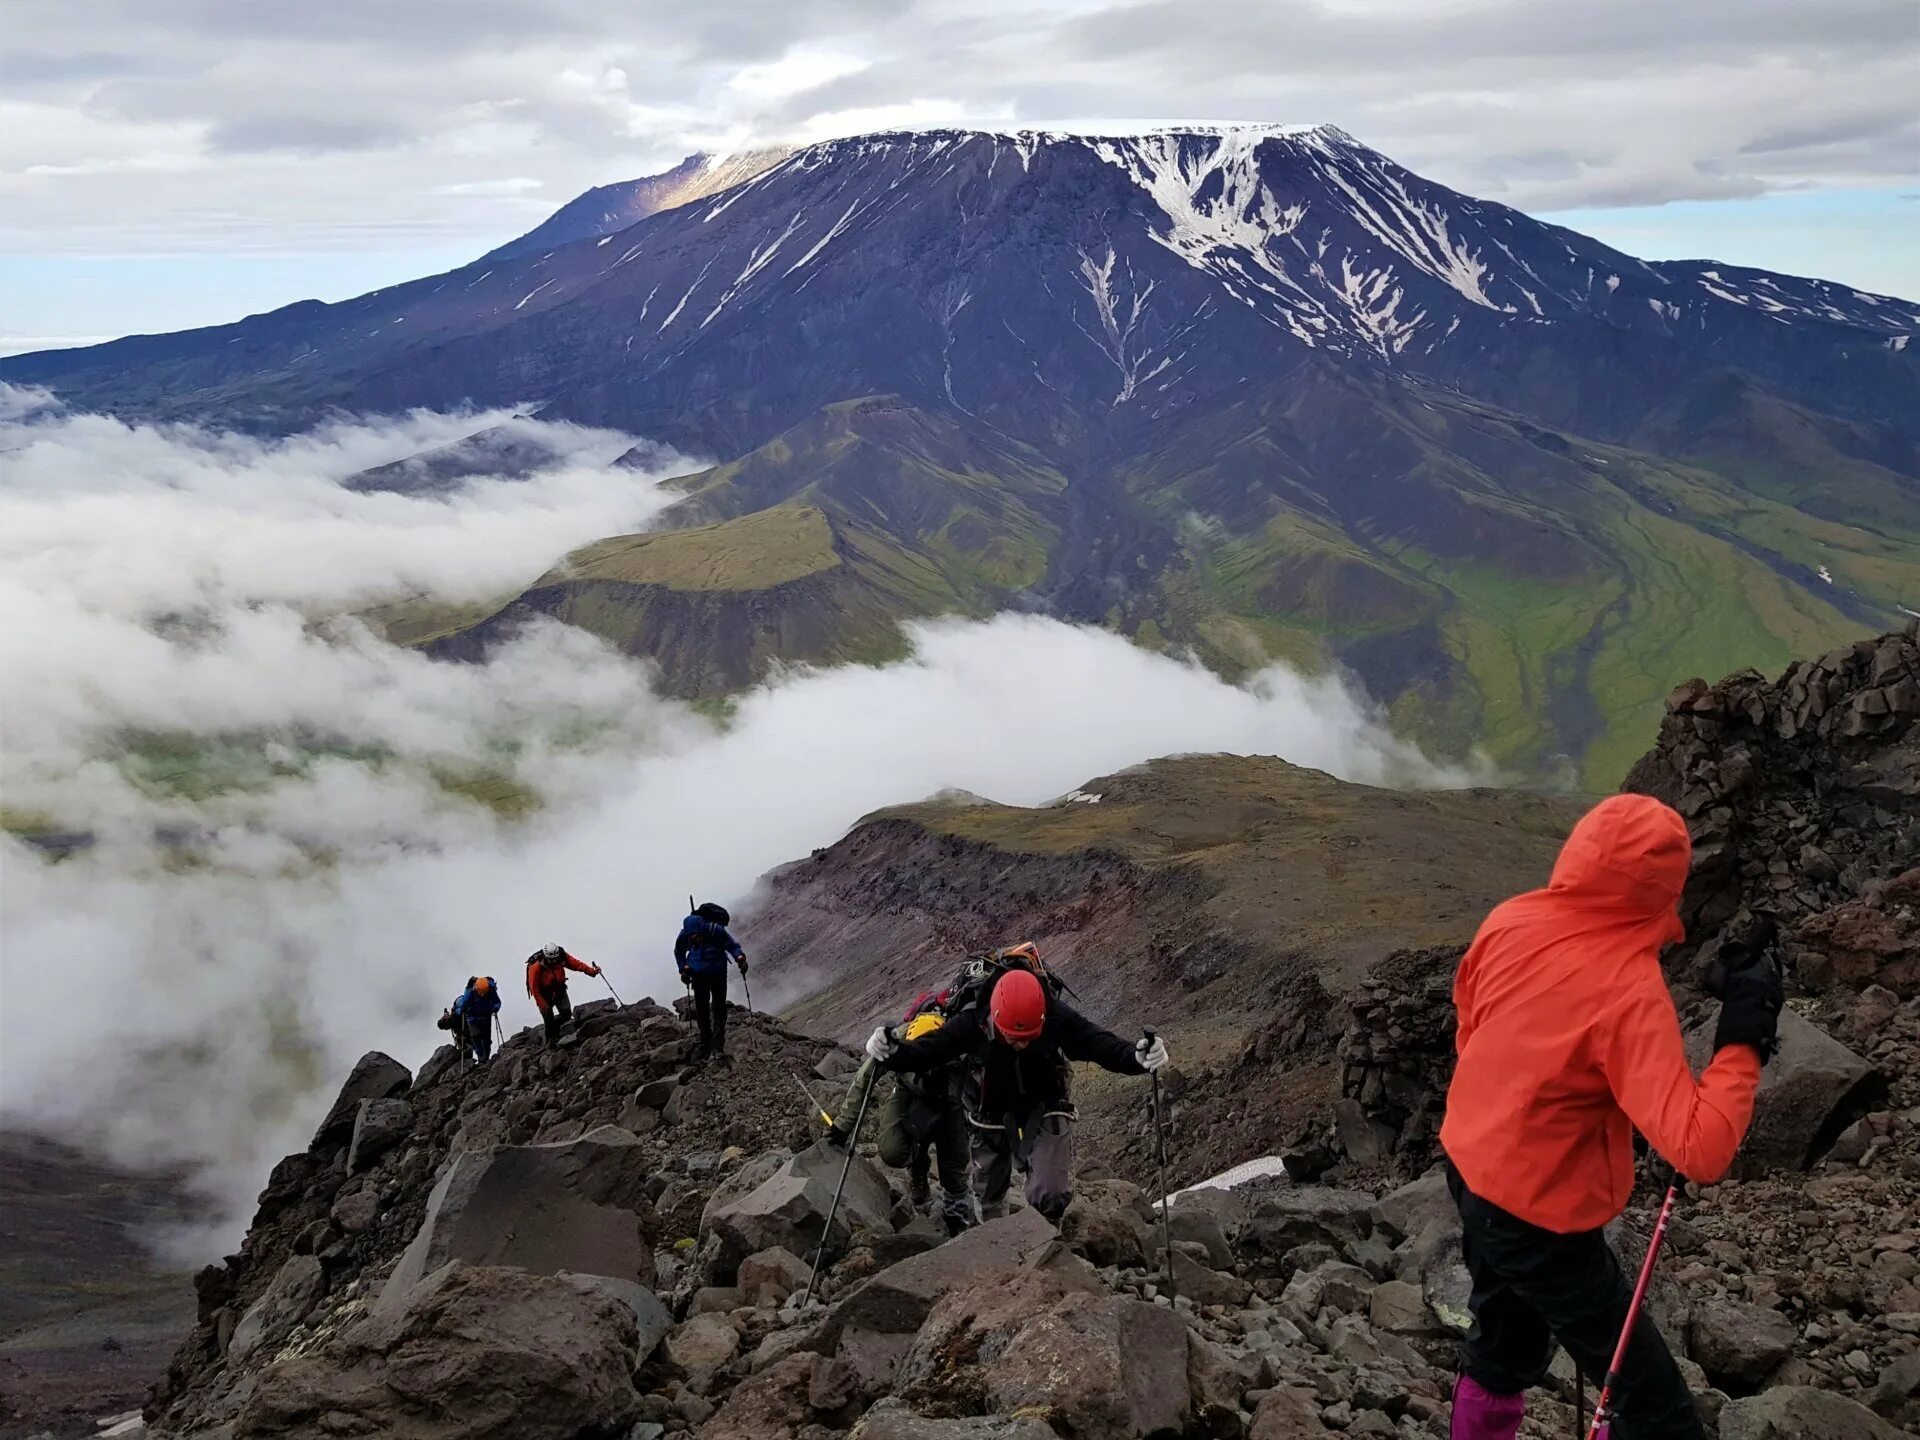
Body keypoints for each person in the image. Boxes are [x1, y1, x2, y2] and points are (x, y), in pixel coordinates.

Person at [1438, 793, 1782, 1440]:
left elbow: (1470, 1027)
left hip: (1470, 1167)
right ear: (1665, 887)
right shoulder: (1629, 991)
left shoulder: (1511, 920)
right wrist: (1744, 1038)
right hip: (1542, 1218)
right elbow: (1700, 1149)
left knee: (1503, 1347)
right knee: (1654, 1407)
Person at [866, 944, 1169, 1222]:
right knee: (988, 1198)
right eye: (1013, 1037)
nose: (1021, 1045)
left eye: (1029, 1038)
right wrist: (891, 1053)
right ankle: (999, 1241)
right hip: (989, 1110)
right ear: (995, 1018)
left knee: (1052, 1193)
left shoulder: (1053, 1015)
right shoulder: (974, 1021)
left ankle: (1047, 1237)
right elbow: (931, 1050)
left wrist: (1136, 1057)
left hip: (1044, 1103)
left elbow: (1095, 1042)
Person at [830, 1002, 974, 1235]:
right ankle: (918, 1166)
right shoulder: (895, 1041)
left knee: (955, 1167)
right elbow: (865, 1077)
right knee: (892, 1149)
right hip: (909, 1093)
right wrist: (842, 1125)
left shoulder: (958, 1041)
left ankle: (957, 1217)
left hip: (949, 1102)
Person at [676, 902, 747, 1062]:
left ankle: (718, 1045)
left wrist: (740, 958)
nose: (694, 938)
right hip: (698, 975)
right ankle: (707, 1043)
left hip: (718, 973)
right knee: (702, 1010)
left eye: (696, 935)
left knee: (718, 1007)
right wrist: (683, 969)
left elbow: (732, 946)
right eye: (691, 936)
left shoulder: (715, 930)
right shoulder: (685, 935)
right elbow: (679, 952)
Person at [525, 942, 601, 1048]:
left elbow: (577, 964)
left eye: (555, 959)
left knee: (566, 1014)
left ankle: (555, 1030)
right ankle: (551, 1043)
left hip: (559, 989)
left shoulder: (562, 957)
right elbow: (534, 988)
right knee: (548, 1018)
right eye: (551, 959)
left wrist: (592, 971)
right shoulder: (536, 967)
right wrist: (542, 1004)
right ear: (546, 957)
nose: (553, 961)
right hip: (543, 993)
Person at [449, 975, 501, 1065]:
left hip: (484, 1017)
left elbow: (497, 1002)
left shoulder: (491, 990)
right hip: (474, 1018)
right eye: (481, 992)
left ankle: (485, 1059)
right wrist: (460, 1011)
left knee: (486, 1040)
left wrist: (495, 1008)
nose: (482, 994)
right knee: (476, 1038)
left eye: (484, 992)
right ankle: (482, 1059)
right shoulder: (470, 992)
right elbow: (464, 1005)